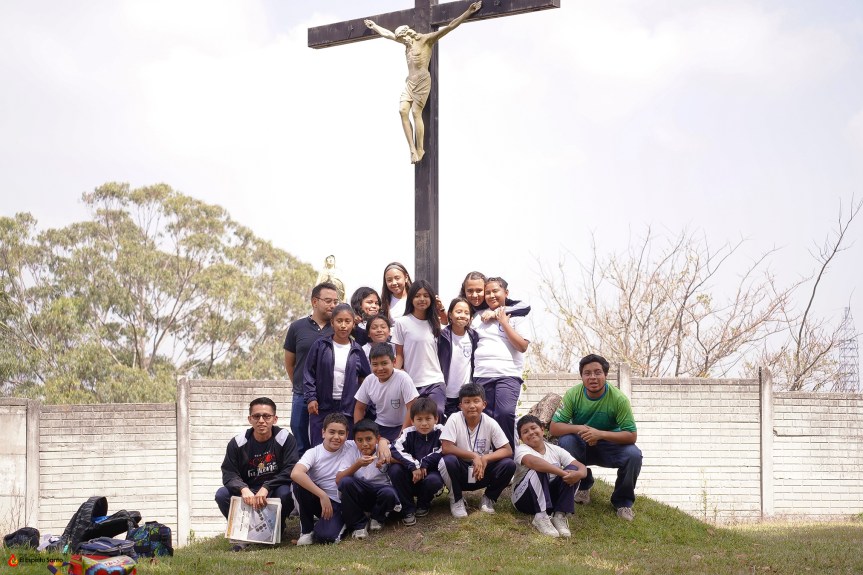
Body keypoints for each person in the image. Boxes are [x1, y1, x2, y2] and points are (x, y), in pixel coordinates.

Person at [365, 1, 482, 164]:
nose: (402, 41)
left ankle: (420, 149)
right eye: (401, 39)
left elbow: (450, 26)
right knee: (402, 111)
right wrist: (375, 26)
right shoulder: (406, 42)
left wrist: (468, 12)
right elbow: (389, 34)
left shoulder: (426, 40)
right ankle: (412, 149)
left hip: (422, 81)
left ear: (409, 34)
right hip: (409, 82)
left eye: (403, 38)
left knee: (415, 113)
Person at [549, 353, 643, 521]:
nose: (592, 377)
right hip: (581, 444)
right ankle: (583, 486)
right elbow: (554, 428)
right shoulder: (572, 395)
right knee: (566, 441)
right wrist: (580, 429)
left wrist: (600, 434)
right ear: (582, 376)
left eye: (597, 372)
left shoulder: (619, 399)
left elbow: (631, 435)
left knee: (634, 455)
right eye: (587, 373)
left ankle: (623, 503)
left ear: (605, 375)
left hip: (609, 446)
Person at [292, 414, 389, 545]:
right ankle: (307, 530)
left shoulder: (352, 445)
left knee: (326, 537)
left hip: (345, 500)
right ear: (323, 432)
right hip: (323, 501)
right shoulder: (313, 453)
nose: (336, 437)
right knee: (299, 483)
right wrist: (322, 495)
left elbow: (374, 439)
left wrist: (383, 443)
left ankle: (347, 521)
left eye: (341, 433)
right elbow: (296, 473)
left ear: (347, 435)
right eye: (332, 432)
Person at [216, 397, 298, 547]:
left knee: (286, 493)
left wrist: (267, 487)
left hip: (273, 489)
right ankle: (241, 533)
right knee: (222, 495)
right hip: (249, 492)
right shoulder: (237, 442)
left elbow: (291, 468)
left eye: (266, 416)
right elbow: (229, 473)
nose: (261, 420)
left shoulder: (285, 438)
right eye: (256, 416)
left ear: (275, 419)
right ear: (250, 419)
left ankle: (277, 527)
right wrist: (243, 489)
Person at [438, 383, 516, 518]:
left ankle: (489, 498)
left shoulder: (490, 422)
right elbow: (446, 447)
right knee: (447, 461)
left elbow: (507, 450)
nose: (472, 406)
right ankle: (456, 499)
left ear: (484, 404)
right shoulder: (454, 418)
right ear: (460, 405)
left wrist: (485, 458)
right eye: (467, 402)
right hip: (460, 471)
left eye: (476, 401)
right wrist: (474, 455)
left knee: (509, 465)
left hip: (481, 471)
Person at [472, 277, 530, 451]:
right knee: (485, 417)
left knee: (504, 413)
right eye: (487, 292)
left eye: (495, 291)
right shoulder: (477, 317)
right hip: (482, 374)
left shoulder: (517, 316)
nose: (491, 295)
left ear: (506, 293)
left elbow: (522, 346)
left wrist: (503, 321)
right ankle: (487, 458)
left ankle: (507, 456)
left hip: (508, 374)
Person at [284, 282, 339, 456]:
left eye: (335, 301)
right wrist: (299, 385)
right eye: (328, 301)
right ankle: (302, 469)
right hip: (301, 393)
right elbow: (290, 363)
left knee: (326, 438)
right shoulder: (297, 327)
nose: (333, 305)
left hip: (329, 395)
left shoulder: (339, 328)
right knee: (299, 432)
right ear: (315, 302)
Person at [304, 304, 371, 446]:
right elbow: (309, 372)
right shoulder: (320, 345)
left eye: (347, 321)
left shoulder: (357, 350)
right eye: (339, 321)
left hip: (348, 408)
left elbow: (367, 379)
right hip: (321, 407)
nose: (343, 325)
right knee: (319, 447)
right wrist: (311, 397)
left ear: (353, 324)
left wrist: (362, 404)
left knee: (346, 447)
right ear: (332, 322)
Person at [511, 415, 586, 538]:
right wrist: (563, 473)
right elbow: (534, 463)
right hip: (524, 500)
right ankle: (540, 517)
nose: (531, 432)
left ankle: (559, 515)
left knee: (573, 470)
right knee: (539, 469)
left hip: (549, 501)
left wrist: (579, 474)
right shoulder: (521, 449)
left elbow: (580, 466)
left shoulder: (555, 449)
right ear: (521, 438)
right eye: (525, 432)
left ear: (542, 429)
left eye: (533, 428)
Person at [336, 418, 401, 539]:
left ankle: (377, 517)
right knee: (346, 482)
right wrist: (357, 464)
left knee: (389, 493)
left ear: (377, 438)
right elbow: (338, 480)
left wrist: (387, 458)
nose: (364, 444)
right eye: (359, 440)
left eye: (369, 439)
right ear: (355, 441)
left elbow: (405, 460)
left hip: (382, 492)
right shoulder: (353, 452)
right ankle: (359, 525)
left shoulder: (384, 448)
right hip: (362, 493)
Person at [393, 280, 446, 417]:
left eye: (426, 295)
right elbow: (399, 354)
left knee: (437, 412)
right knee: (415, 418)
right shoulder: (401, 323)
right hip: (412, 382)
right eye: (417, 296)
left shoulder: (435, 322)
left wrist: (441, 308)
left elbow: (449, 324)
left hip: (435, 380)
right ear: (411, 299)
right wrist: (396, 378)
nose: (422, 299)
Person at [389, 398, 445, 526]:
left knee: (434, 480)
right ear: (412, 421)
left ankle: (423, 504)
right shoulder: (407, 433)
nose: (424, 423)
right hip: (411, 475)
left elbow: (445, 448)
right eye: (419, 419)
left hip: (430, 474)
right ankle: (407, 509)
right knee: (395, 470)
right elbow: (394, 448)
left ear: (436, 419)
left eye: (428, 419)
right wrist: (414, 466)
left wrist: (425, 462)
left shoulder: (442, 431)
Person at [354, 342, 419, 442]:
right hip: (379, 426)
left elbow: (412, 408)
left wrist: (402, 435)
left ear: (394, 361)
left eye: (384, 363)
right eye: (375, 364)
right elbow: (359, 408)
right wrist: (359, 433)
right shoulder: (369, 380)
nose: (380, 368)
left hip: (402, 426)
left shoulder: (403, 378)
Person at [438, 297, 478, 418]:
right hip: (447, 393)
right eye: (458, 312)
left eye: (466, 313)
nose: (462, 316)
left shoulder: (473, 336)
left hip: (466, 393)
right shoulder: (442, 336)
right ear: (450, 315)